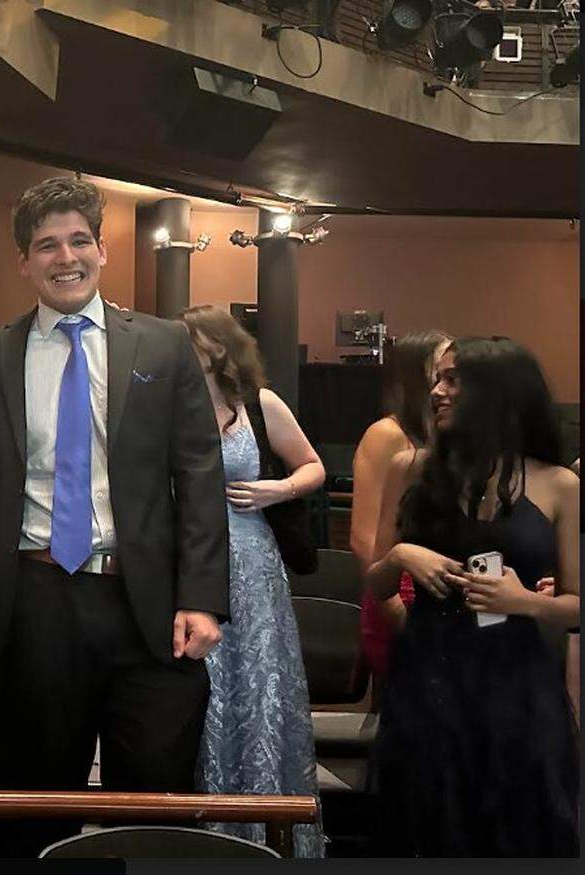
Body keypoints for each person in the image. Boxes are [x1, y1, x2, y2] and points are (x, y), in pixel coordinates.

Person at [0, 177, 229, 805]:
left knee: (153, 801)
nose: (66, 257)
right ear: (23, 261)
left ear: (102, 250)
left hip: (149, 608)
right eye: (47, 245)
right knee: (36, 800)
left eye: (79, 241)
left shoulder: (164, 345)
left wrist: (202, 598)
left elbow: (199, 476)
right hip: (35, 601)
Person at [365, 336, 579, 857]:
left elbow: (576, 604)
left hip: (516, 681)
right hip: (428, 674)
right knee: (424, 819)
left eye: (452, 379)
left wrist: (522, 601)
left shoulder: (560, 485)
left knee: (514, 823)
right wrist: (401, 557)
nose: (437, 391)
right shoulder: (408, 467)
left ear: (496, 390)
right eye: (437, 379)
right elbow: (374, 583)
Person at [178, 305, 326, 857]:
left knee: (259, 687)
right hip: (194, 561)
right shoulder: (172, 402)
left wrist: (277, 489)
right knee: (205, 689)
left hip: (255, 562)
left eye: (191, 340)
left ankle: (267, 831)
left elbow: (312, 465)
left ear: (219, 347)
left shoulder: (259, 404)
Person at [350, 331, 450, 694]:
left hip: (438, 592)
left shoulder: (443, 434)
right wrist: (391, 606)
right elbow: (363, 538)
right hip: (398, 591)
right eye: (441, 369)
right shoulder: (387, 434)